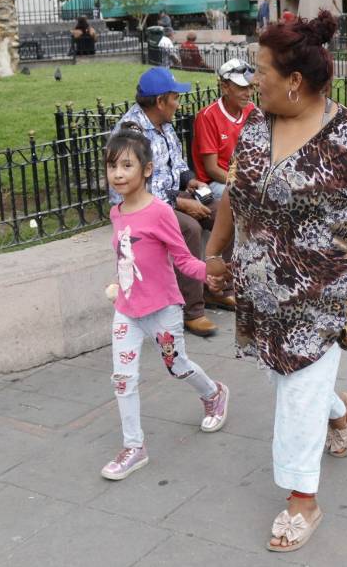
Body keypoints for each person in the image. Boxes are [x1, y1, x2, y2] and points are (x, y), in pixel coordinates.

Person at [203, 10, 347, 553]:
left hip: (323, 291)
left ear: (294, 80)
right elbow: (234, 193)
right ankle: (340, 407)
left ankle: (302, 500)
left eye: (262, 71)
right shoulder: (257, 125)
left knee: (297, 393)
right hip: (262, 287)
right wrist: (214, 251)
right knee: (288, 378)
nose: (254, 80)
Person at [99, 123, 230, 481]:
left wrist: (211, 275)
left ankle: (214, 393)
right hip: (127, 310)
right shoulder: (116, 212)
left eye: (126, 165)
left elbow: (183, 260)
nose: (118, 174)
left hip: (163, 310)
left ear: (147, 169)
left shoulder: (160, 212)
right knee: (123, 378)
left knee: (176, 366)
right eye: (112, 166)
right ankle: (134, 447)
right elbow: (126, 256)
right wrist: (120, 281)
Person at [109, 67, 234, 338]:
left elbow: (176, 164)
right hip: (139, 205)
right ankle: (192, 311)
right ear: (160, 101)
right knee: (189, 228)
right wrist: (180, 204)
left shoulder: (163, 123)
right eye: (175, 98)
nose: (178, 104)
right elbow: (139, 187)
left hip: (170, 196)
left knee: (225, 211)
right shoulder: (131, 133)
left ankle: (218, 287)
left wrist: (191, 181)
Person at [192, 58, 255, 200]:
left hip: (245, 178)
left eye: (251, 87)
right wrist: (243, 184)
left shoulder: (251, 110)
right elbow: (212, 169)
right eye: (242, 87)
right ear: (225, 87)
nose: (249, 93)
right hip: (216, 182)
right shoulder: (207, 116)